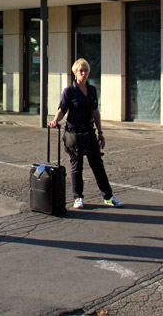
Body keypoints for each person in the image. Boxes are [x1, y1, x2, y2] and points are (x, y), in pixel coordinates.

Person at [48, 58, 124, 210]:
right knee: (77, 167)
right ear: (75, 73)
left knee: (97, 165)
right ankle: (78, 198)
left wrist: (100, 132)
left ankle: (108, 196)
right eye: (80, 71)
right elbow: (62, 109)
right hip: (74, 133)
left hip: (89, 132)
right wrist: (55, 121)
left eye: (86, 71)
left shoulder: (92, 90)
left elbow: (95, 112)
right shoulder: (69, 92)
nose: (83, 73)